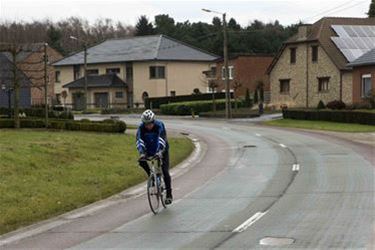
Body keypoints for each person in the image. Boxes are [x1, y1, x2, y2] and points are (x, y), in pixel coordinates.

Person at [136, 109, 173, 205]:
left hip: (162, 149)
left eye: (150, 123)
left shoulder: (159, 125)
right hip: (149, 149)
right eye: (146, 124)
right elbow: (139, 141)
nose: (148, 126)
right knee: (141, 161)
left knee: (165, 171)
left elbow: (162, 139)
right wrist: (142, 153)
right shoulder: (141, 128)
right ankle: (151, 177)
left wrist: (160, 151)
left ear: (153, 121)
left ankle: (169, 194)